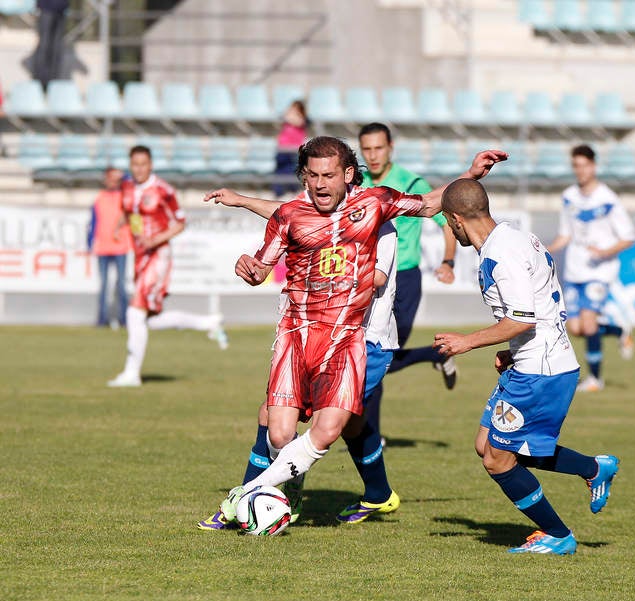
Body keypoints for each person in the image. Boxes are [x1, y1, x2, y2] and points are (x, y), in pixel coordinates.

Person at [202, 136, 506, 528]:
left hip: (356, 336)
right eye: (312, 176)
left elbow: (429, 206)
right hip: (297, 333)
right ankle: (368, 493)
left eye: (328, 175)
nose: (320, 183)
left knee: (330, 426)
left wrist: (469, 174)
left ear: (347, 175)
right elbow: (263, 264)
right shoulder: (291, 214)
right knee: (284, 434)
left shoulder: (375, 207)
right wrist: (251, 269)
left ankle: (251, 500)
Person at [196, 186, 402, 529]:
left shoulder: (378, 222)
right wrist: (244, 201)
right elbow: (289, 213)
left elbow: (376, 277)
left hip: (365, 340)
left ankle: (251, 498)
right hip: (311, 335)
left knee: (324, 424)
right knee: (316, 422)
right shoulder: (318, 216)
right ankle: (377, 494)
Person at [432, 179, 619, 555]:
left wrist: (466, 341)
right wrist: (512, 351)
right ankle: (594, 468)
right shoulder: (515, 238)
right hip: (531, 361)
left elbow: (522, 319)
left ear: (454, 220)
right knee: (486, 444)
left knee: (499, 461)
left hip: (542, 372)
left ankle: (557, 534)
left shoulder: (502, 255)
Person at [106, 145, 229, 388]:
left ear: (150, 164)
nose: (139, 168)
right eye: (135, 164)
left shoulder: (163, 190)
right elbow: (130, 211)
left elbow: (181, 223)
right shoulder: (128, 186)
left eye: (143, 163)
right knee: (147, 319)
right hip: (141, 256)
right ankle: (208, 323)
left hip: (158, 256)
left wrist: (157, 239)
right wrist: (119, 227)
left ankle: (132, 373)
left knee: (134, 312)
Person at [359, 123, 459, 389]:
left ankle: (432, 354)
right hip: (369, 277)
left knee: (384, 355)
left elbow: (446, 223)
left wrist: (448, 261)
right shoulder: (357, 184)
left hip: (404, 279)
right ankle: (370, 431)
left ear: (390, 148)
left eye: (378, 148)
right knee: (369, 354)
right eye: (366, 149)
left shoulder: (412, 183)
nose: (372, 155)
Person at [547, 144, 635, 392]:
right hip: (575, 270)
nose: (581, 170)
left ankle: (595, 379)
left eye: (585, 165)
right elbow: (565, 234)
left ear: (594, 166)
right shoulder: (569, 196)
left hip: (600, 271)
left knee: (588, 325)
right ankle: (619, 330)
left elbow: (628, 236)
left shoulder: (608, 199)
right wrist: (548, 248)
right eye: (576, 165)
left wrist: (605, 252)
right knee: (575, 328)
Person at [87, 167, 131, 328]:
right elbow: (92, 222)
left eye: (115, 178)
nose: (112, 181)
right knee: (104, 285)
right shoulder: (100, 198)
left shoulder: (125, 196)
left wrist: (122, 176)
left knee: (121, 285)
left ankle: (124, 319)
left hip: (120, 247)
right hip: (103, 248)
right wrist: (90, 243)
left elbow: (131, 180)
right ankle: (102, 319)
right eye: (109, 178)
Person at [273, 100, 308, 197]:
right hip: (282, 149)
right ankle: (279, 192)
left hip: (293, 150)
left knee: (292, 171)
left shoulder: (301, 119)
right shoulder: (288, 118)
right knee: (280, 171)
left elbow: (297, 121)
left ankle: (292, 191)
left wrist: (290, 115)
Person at [32, 0, 68, 87]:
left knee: (56, 48)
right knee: (44, 46)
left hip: (60, 9)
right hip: (46, 8)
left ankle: (53, 81)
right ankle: (41, 81)